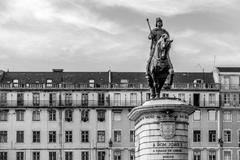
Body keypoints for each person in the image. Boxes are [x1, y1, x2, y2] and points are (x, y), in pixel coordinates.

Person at [146, 17, 174, 93]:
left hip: (163, 49)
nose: (159, 23)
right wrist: (151, 36)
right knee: (149, 60)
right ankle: (147, 73)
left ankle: (169, 81)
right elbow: (149, 37)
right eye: (158, 22)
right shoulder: (154, 31)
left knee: (169, 62)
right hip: (155, 49)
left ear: (162, 23)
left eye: (160, 22)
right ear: (156, 23)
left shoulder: (165, 31)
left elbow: (167, 39)